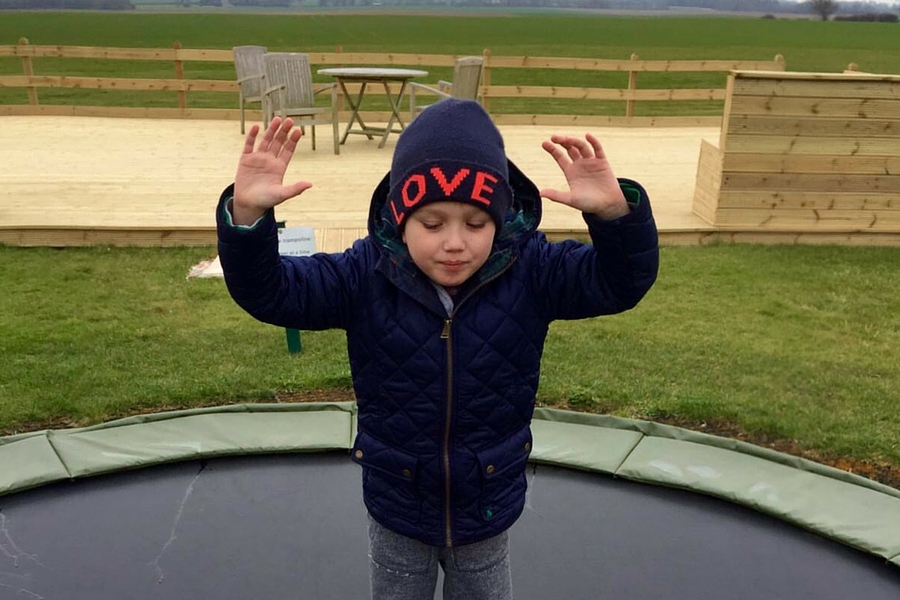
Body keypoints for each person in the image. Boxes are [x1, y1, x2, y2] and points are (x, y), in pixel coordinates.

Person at [216, 99, 658, 600]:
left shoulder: (533, 271)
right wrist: (248, 215)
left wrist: (616, 218)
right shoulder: (364, 274)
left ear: (502, 219)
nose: (455, 243)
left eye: (476, 224)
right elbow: (271, 292)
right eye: (432, 224)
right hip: (398, 500)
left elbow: (621, 283)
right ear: (400, 220)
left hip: (487, 499)